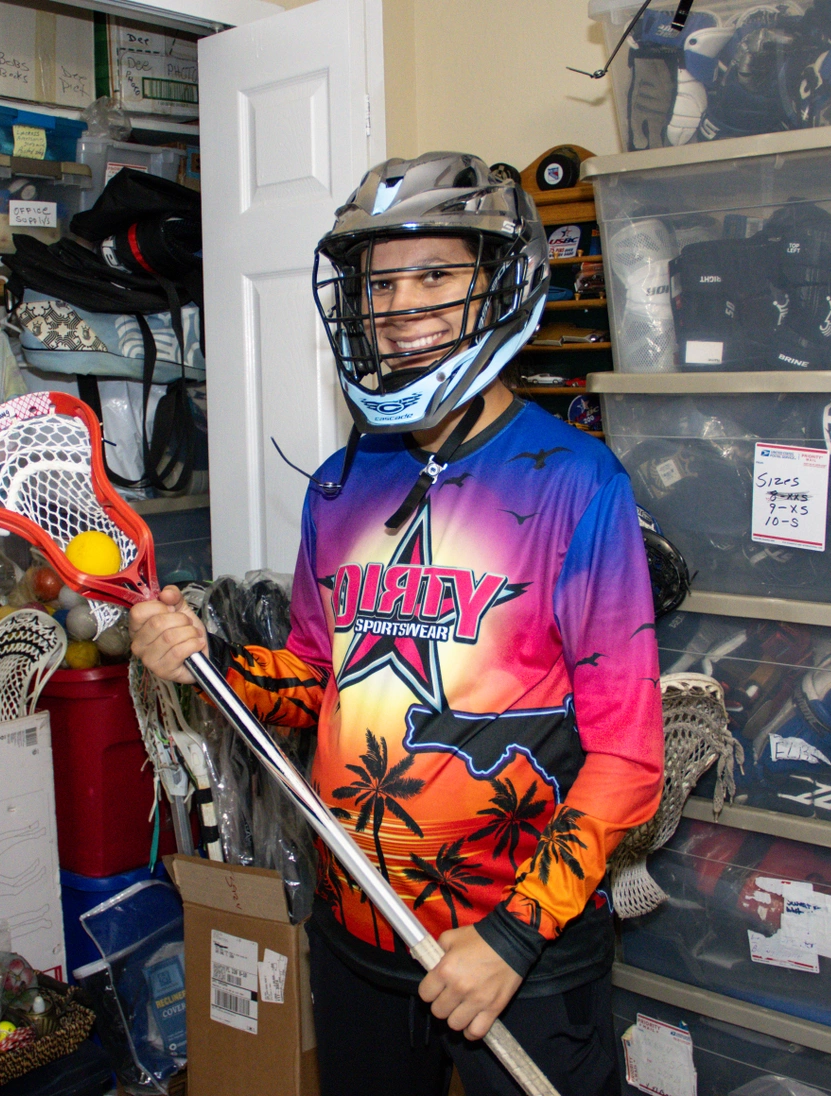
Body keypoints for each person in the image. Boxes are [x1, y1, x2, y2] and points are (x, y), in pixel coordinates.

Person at [130, 152, 664, 1096]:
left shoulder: (577, 485)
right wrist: (207, 660)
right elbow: (311, 677)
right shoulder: (342, 484)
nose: (400, 306)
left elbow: (627, 757)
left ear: (499, 285)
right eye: (380, 284)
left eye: (434, 275)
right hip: (360, 939)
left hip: (518, 957)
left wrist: (510, 938)